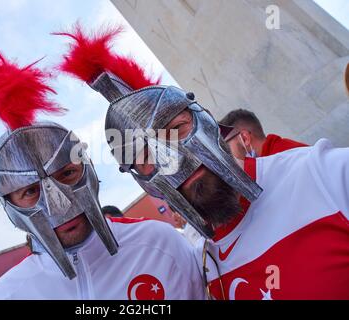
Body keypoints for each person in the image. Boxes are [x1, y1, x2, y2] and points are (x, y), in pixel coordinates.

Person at [56, 24, 349, 300]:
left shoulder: (324, 175)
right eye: (145, 156)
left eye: (176, 129)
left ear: (206, 119)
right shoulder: (204, 262)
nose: (173, 159)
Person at [0, 42, 204, 300]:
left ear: (88, 169)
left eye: (67, 174)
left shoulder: (158, 243)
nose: (60, 205)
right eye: (30, 191)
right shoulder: (8, 294)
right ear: (9, 204)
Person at [219, 109, 307, 159]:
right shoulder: (270, 160)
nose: (224, 153)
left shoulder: (285, 158)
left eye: (224, 145)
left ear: (244, 138)